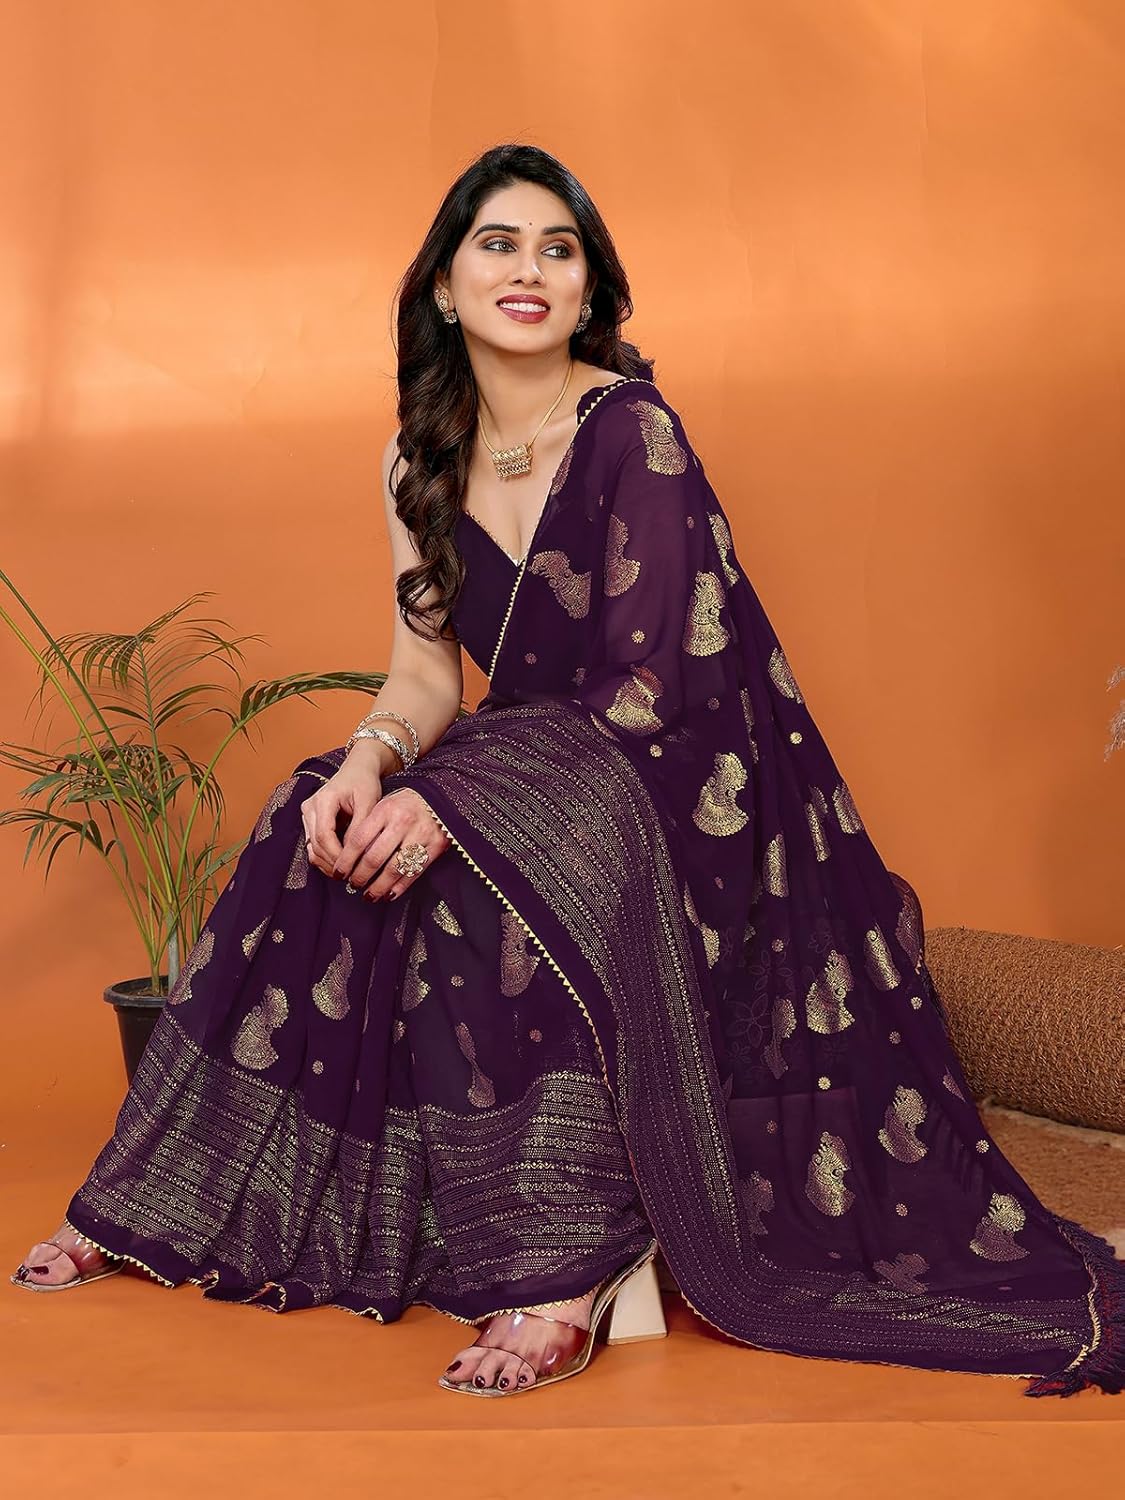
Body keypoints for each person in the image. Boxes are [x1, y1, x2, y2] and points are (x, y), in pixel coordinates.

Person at [12, 144, 1124, 1401]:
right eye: (498, 243)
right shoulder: (415, 462)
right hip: (537, 763)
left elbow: (654, 687)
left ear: (588, 289)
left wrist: (453, 802)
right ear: (444, 285)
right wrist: (373, 764)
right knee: (304, 815)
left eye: (559, 248)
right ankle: (167, 1200)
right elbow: (427, 677)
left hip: (679, 774)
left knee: (476, 861)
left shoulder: (632, 432)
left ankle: (565, 1271)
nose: (529, 269)